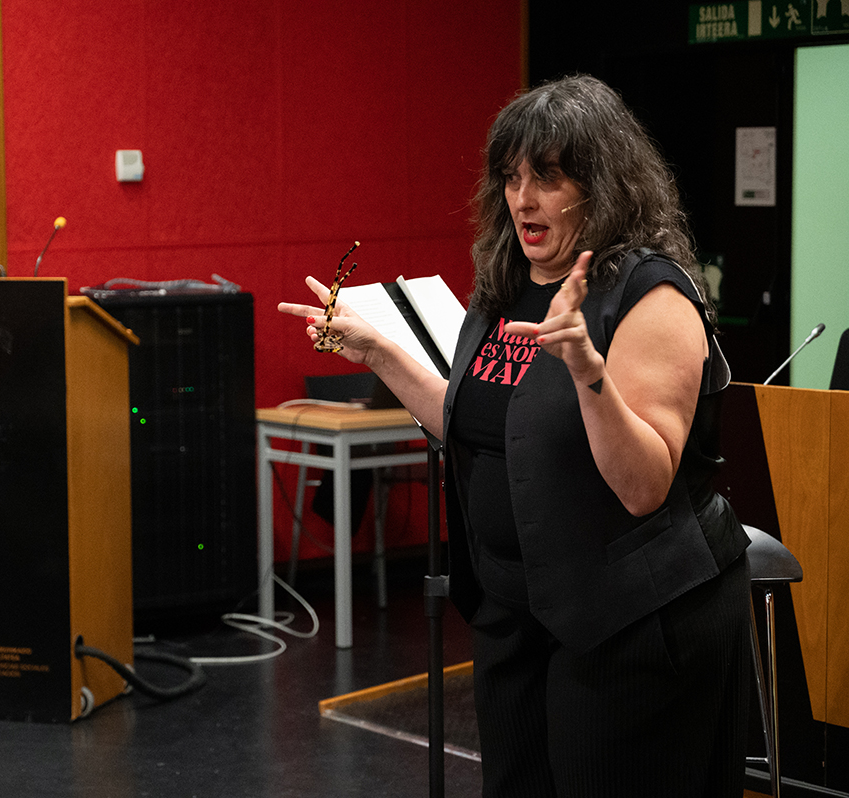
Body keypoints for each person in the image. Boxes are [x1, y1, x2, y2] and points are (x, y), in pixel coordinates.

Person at [278, 74, 750, 797]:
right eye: (511, 177)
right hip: (515, 613)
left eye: (548, 178)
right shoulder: (505, 286)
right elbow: (475, 424)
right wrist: (378, 352)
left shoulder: (650, 293)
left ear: (601, 186)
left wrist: (589, 374)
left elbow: (644, 485)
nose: (523, 199)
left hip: (627, 620)